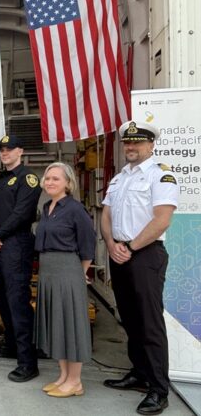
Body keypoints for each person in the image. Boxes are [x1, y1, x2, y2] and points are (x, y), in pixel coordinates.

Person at [101, 121, 178, 415]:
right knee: (130, 318)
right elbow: (106, 214)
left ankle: (159, 389)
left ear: (151, 144)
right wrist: (111, 244)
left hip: (145, 254)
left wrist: (130, 247)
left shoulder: (161, 175)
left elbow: (162, 219)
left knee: (149, 322)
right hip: (119, 251)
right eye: (127, 142)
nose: (131, 147)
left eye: (137, 142)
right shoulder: (120, 178)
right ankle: (140, 373)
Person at [34, 162, 96, 398]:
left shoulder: (75, 209)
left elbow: (88, 245)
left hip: (68, 270)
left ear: (68, 183)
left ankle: (75, 381)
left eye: (56, 179)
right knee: (56, 323)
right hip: (48, 270)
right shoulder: (47, 207)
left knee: (71, 324)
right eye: (48, 178)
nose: (50, 182)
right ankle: (63, 376)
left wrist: (78, 274)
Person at [0, 135, 41, 382]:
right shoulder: (1, 181)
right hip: (0, 245)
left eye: (9, 149)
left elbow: (22, 213)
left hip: (16, 244)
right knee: (3, 298)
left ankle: (28, 362)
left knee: (18, 301)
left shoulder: (27, 178)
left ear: (21, 151)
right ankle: (11, 345)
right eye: (2, 150)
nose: (4, 153)